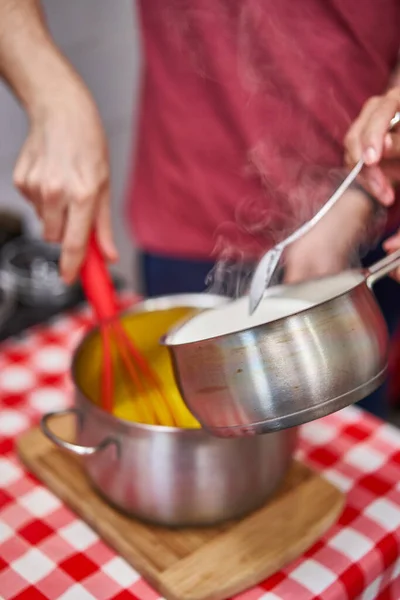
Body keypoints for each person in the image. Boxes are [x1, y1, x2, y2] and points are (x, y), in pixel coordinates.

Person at [1, 0, 400, 417]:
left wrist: (366, 189)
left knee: (352, 417)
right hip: (186, 210)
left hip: (367, 222)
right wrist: (51, 98)